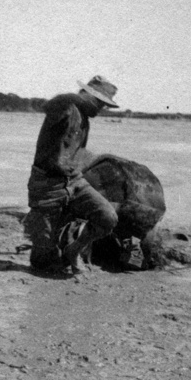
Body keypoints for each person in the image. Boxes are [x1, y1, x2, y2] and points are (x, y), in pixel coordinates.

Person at [24, 75, 120, 274]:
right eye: (100, 103)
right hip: (47, 185)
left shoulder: (84, 119)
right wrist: (75, 98)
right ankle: (50, 238)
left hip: (75, 182)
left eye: (104, 106)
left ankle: (73, 250)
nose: (101, 109)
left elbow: (77, 153)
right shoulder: (66, 108)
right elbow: (48, 105)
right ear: (86, 95)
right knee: (41, 263)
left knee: (108, 217)